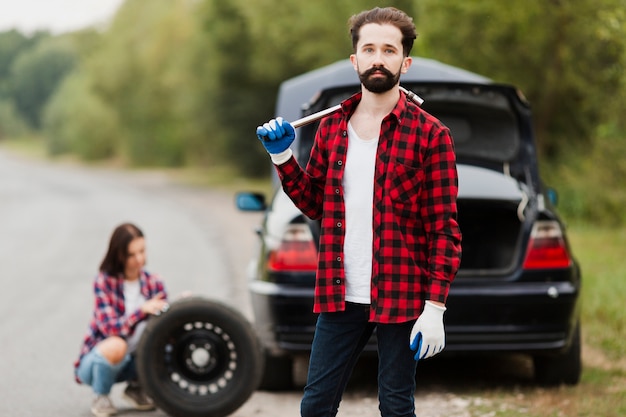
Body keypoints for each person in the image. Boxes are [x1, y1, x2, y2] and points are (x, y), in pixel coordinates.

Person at [255, 7, 462, 417]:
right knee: (315, 407)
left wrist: (435, 307)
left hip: (402, 295)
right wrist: (282, 157)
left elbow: (444, 229)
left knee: (396, 406)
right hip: (340, 293)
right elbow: (314, 204)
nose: (378, 58)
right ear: (356, 60)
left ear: (405, 61)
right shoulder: (331, 128)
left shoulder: (431, 135)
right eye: (369, 49)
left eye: (389, 50)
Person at [74, 223, 169, 417]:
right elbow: (110, 329)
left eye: (142, 251)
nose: (139, 259)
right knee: (117, 344)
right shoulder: (104, 282)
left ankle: (136, 389)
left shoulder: (154, 282)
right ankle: (101, 396)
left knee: (165, 343)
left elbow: (164, 327)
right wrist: (141, 311)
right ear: (119, 255)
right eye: (132, 255)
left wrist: (183, 309)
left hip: (135, 360)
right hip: (97, 362)